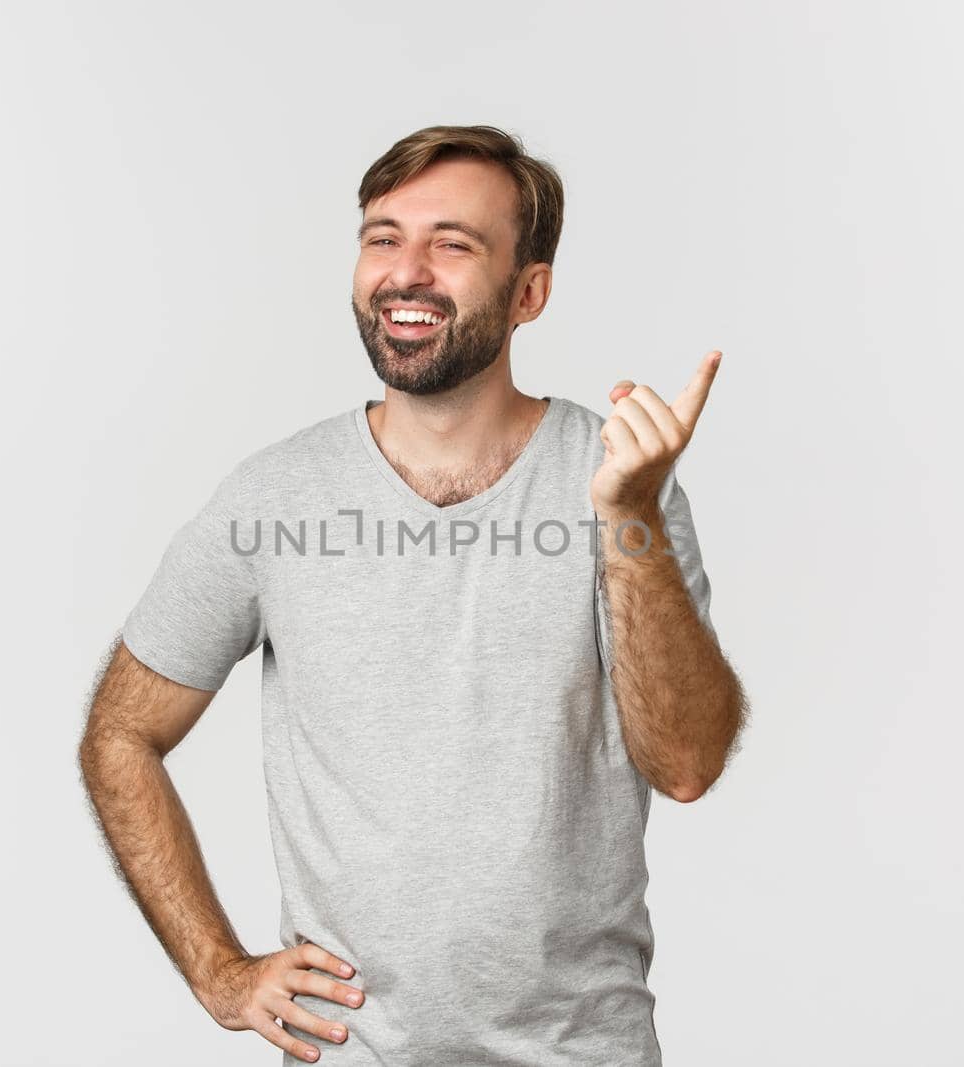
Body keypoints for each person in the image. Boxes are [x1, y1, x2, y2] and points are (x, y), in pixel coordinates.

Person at [79, 124, 748, 1065]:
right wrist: (219, 970)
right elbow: (121, 731)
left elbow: (685, 762)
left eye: (453, 243)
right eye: (382, 236)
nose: (406, 272)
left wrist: (629, 517)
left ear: (531, 292)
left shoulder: (620, 478)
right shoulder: (273, 498)